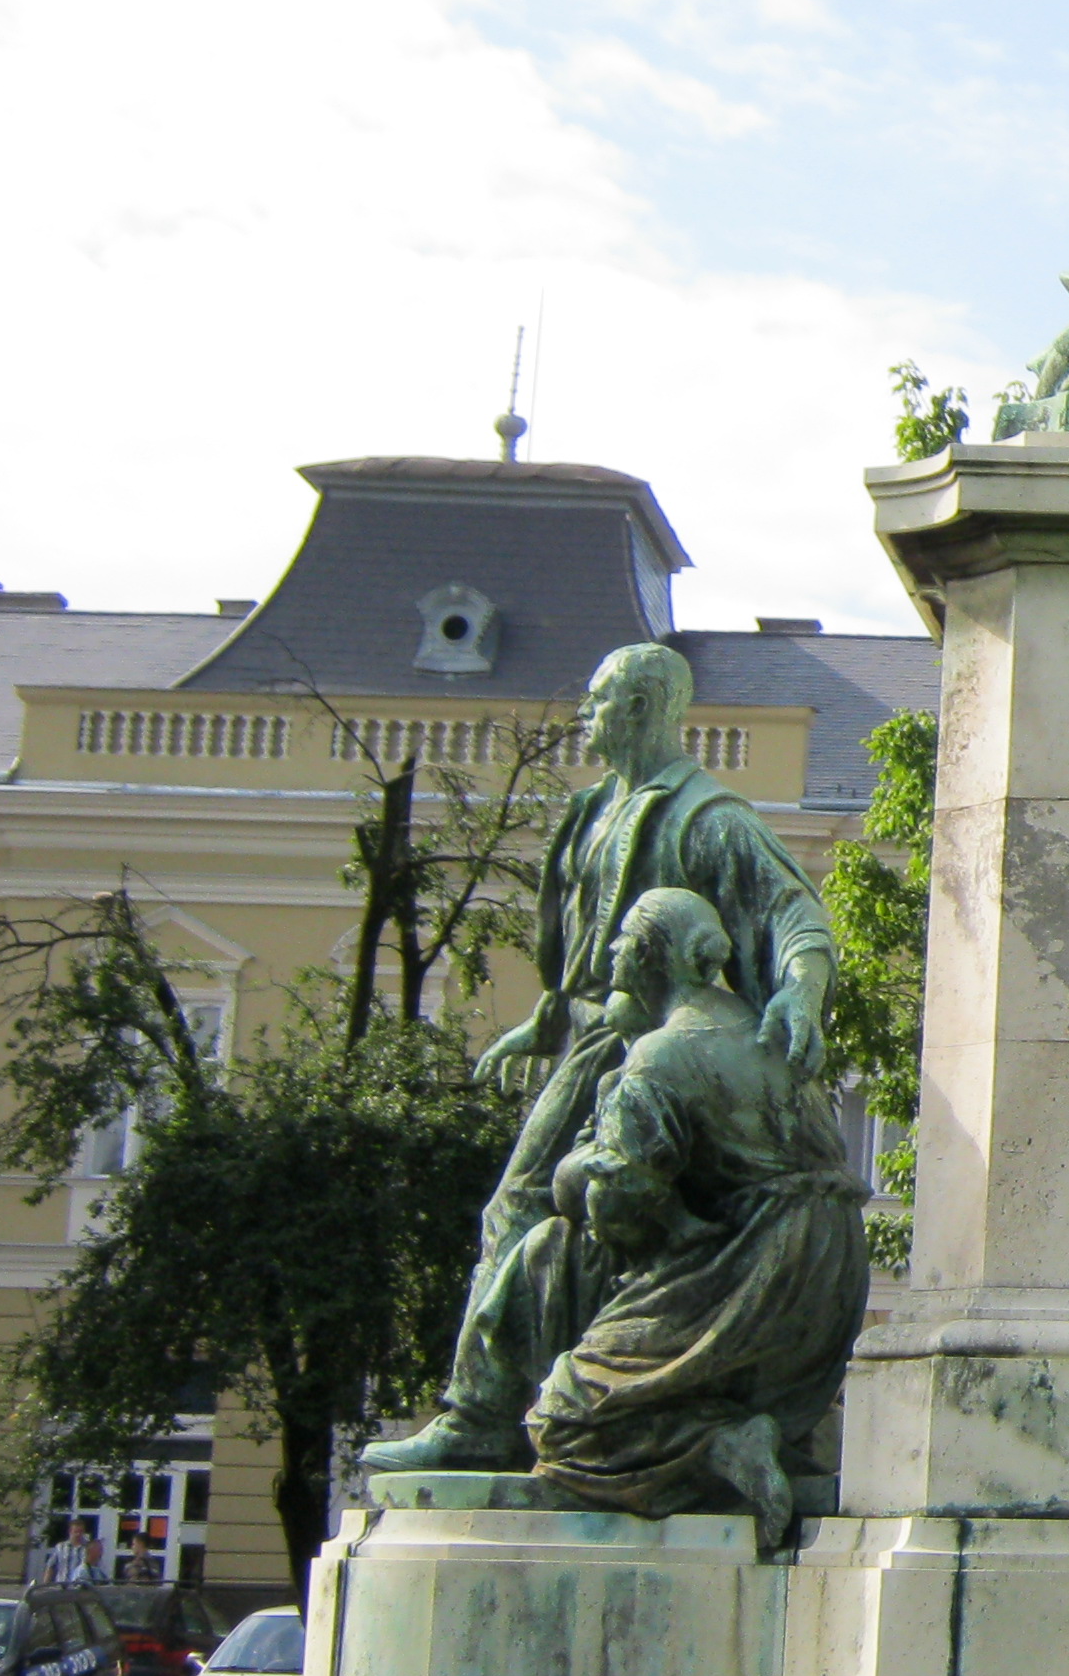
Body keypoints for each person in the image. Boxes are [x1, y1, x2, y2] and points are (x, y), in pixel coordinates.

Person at [362, 643, 836, 1475]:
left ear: (643, 705)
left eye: (599, 699)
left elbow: (791, 911)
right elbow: (586, 951)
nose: (586, 714)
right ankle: (571, 1414)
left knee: (519, 1209)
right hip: (587, 1039)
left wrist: (800, 990)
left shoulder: (706, 816)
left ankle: (482, 1415)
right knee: (571, 1230)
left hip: (644, 1053)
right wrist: (547, 1018)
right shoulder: (592, 812)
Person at [521, 890, 873, 1550]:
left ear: (664, 956)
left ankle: (718, 1444)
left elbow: (621, 1197)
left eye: (628, 937)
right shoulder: (764, 1031)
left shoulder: (662, 1053)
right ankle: (783, 1433)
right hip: (831, 1269)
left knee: (566, 1419)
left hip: (756, 1263)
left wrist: (575, 1174)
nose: (614, 948)